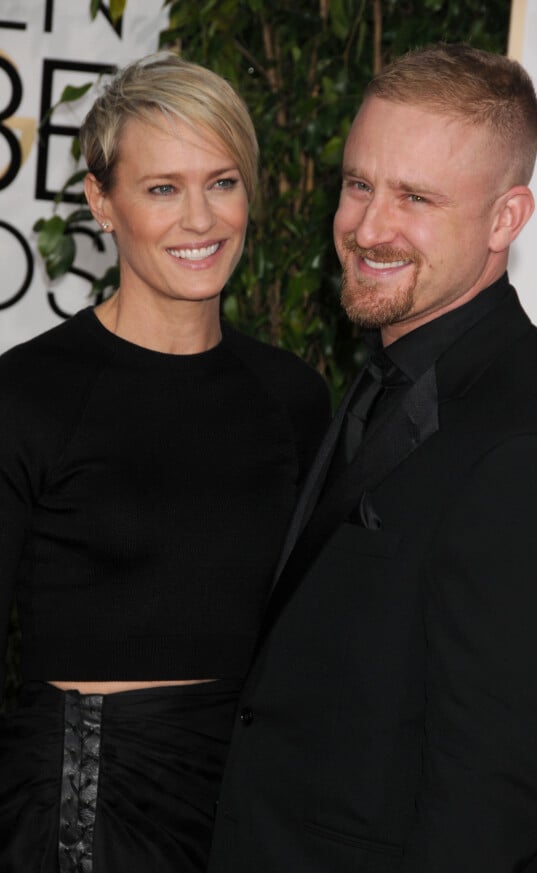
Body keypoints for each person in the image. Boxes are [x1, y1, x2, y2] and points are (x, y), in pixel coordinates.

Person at [207, 43, 537, 873]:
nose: (368, 229)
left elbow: (489, 804)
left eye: (415, 197)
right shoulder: (399, 359)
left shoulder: (525, 439)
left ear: (505, 219)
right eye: (359, 183)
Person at [0, 53, 330, 873]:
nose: (200, 218)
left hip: (251, 811)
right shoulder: (28, 395)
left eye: (222, 181)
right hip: (79, 823)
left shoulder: (293, 398)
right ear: (101, 203)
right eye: (161, 188)